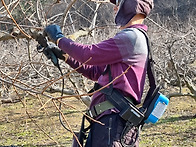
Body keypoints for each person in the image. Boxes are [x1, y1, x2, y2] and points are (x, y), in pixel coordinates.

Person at [43, 0, 154, 146]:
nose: (115, 8)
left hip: (112, 124)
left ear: (131, 5)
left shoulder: (131, 37)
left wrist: (59, 38)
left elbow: (87, 54)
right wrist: (65, 56)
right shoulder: (133, 38)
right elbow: (96, 72)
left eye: (119, 3)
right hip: (110, 122)